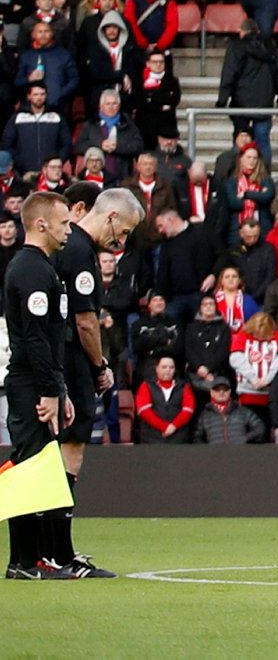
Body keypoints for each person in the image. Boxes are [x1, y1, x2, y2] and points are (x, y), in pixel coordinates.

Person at [47, 186, 137, 575]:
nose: (123, 240)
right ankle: (58, 554)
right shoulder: (82, 251)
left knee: (55, 454)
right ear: (112, 216)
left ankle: (50, 553)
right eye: (126, 231)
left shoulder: (65, 247)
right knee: (71, 452)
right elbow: (85, 320)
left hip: (54, 358)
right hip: (71, 361)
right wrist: (100, 365)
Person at [4, 190, 82, 580]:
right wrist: (50, 391)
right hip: (30, 383)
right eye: (64, 222)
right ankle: (22, 562)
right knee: (29, 468)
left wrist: (61, 388)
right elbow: (34, 338)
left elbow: (51, 338)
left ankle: (35, 560)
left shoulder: (44, 267)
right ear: (41, 224)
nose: (69, 229)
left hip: (43, 381)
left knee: (40, 468)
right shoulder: (31, 270)